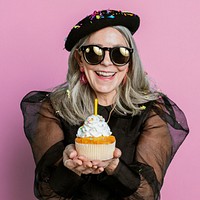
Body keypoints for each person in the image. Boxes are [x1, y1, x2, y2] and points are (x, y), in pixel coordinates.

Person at [21, 9, 189, 200]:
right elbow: (47, 194)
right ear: (80, 60)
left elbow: (147, 195)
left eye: (120, 54)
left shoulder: (153, 112)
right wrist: (69, 168)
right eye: (94, 53)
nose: (107, 63)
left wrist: (113, 166)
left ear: (130, 63)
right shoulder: (54, 107)